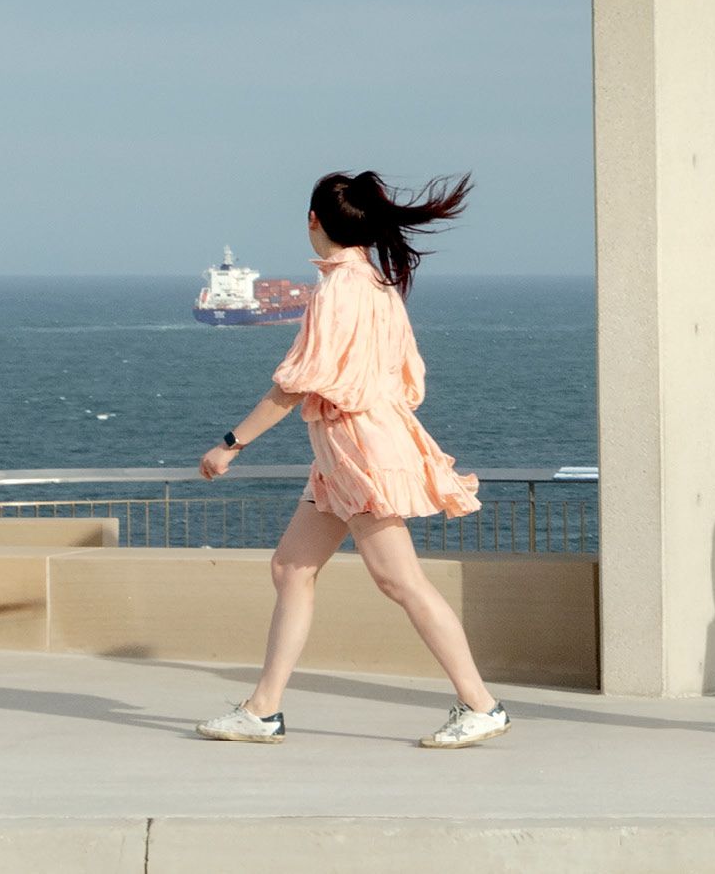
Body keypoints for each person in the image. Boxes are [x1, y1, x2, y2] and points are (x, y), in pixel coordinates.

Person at [191, 171, 508, 750]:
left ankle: (481, 704)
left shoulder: (337, 291)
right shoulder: (378, 284)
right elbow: (410, 378)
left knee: (399, 580)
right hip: (347, 451)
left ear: (315, 221)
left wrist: (229, 445)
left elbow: (295, 385)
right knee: (291, 568)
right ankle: (262, 709)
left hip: (358, 451)